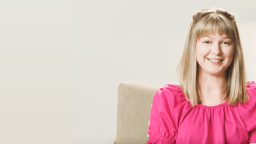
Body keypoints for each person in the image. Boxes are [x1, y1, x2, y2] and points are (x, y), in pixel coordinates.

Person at [147, 7, 256, 144]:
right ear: (193, 46)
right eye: (207, 41)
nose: (216, 51)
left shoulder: (252, 100)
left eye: (225, 42)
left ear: (235, 49)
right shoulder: (169, 101)